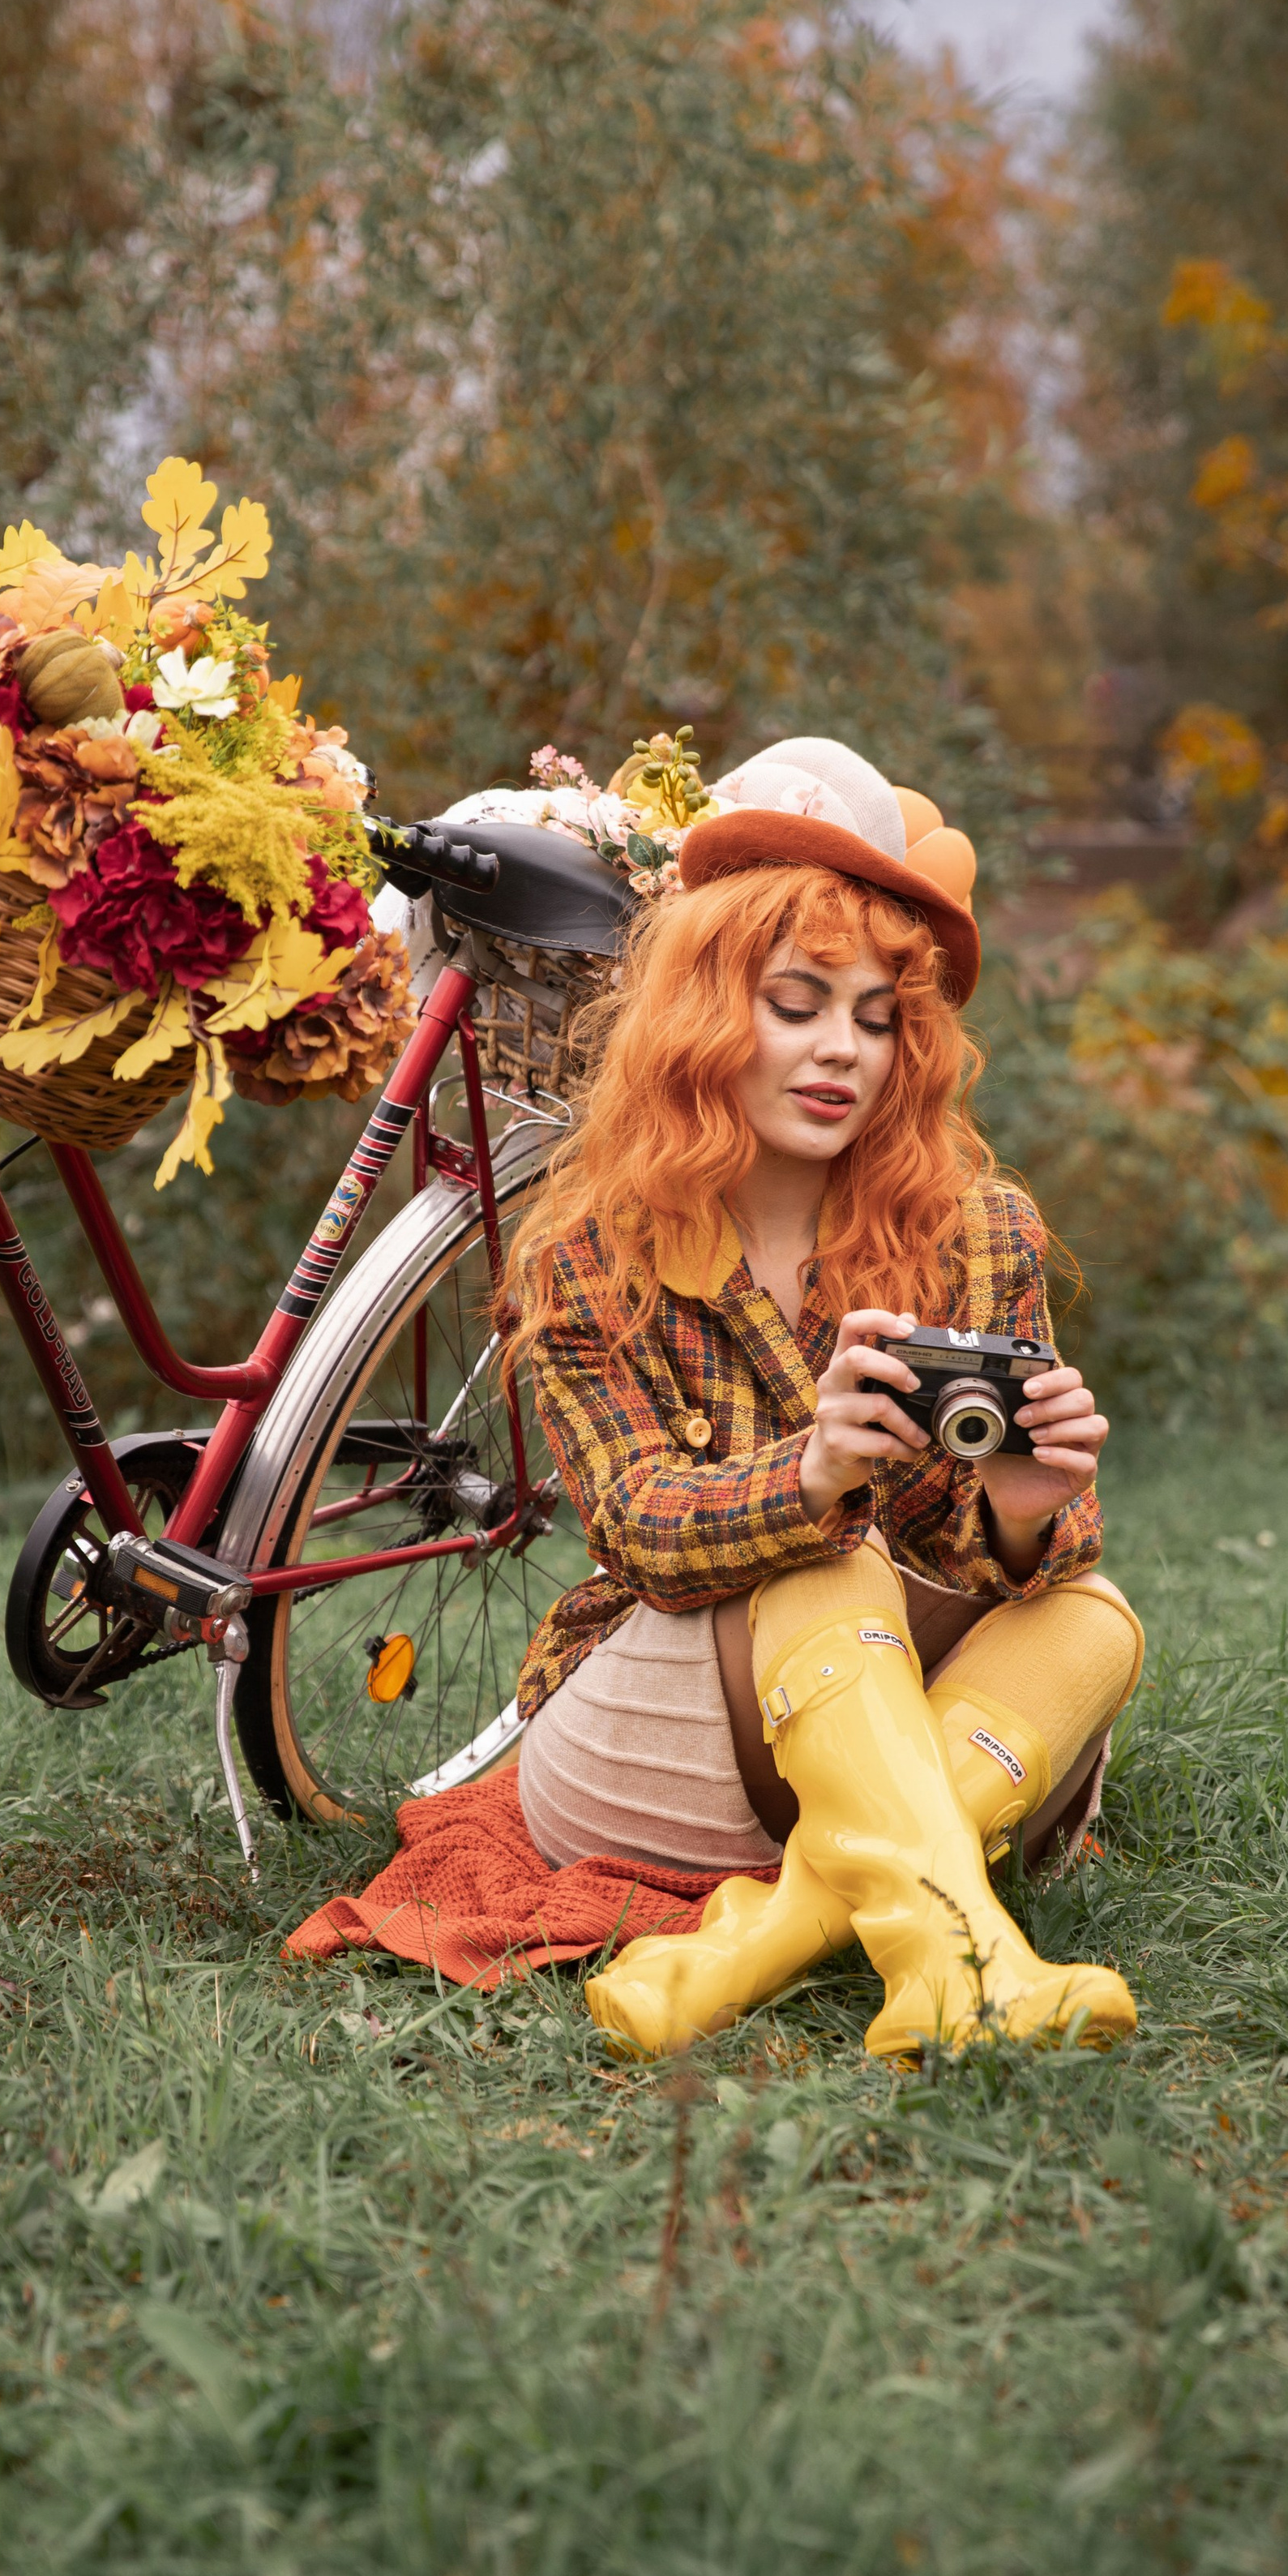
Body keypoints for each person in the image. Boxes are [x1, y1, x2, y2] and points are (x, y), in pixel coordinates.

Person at [500, 738, 1145, 2065]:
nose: (839, 1051)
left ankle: (770, 1942)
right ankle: (964, 1955)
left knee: (1093, 1617)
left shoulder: (980, 1230)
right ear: (704, 1013)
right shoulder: (589, 1254)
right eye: (798, 1004)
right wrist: (811, 1475)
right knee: (829, 1565)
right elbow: (640, 1531)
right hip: (658, 1738)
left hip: (891, 1725)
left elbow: (1036, 1571)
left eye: (874, 1016)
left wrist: (1026, 1517)